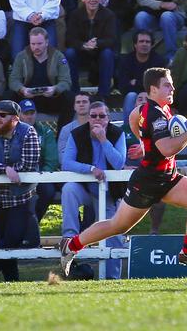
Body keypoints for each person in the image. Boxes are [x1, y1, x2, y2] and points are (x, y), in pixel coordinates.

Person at [60, 67, 187, 276]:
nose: (173, 88)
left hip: (168, 177)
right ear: (153, 89)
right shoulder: (156, 113)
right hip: (148, 181)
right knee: (117, 226)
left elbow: (133, 117)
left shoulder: (152, 108)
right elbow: (167, 148)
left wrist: (145, 142)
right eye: (167, 85)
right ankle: (71, 246)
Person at [61, 101, 126, 279]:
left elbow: (119, 163)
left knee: (113, 233)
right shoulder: (77, 134)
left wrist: (103, 140)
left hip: (108, 192)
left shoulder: (116, 133)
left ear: (108, 118)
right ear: (88, 118)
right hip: (85, 188)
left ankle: (113, 279)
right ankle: (69, 239)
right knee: (68, 189)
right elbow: (66, 162)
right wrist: (90, 169)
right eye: (93, 116)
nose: (97, 120)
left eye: (102, 116)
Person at [0, 100, 40, 282]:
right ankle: (12, 282)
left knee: (12, 240)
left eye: (2, 115)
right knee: (4, 241)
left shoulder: (28, 132)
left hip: (20, 197)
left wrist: (10, 170)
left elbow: (29, 163)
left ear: (14, 118)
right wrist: (6, 170)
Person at [8, 27, 72, 126]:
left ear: (46, 42)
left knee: (69, 98)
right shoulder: (21, 56)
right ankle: (12, 133)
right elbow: (13, 80)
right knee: (9, 96)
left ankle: (61, 136)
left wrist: (55, 89)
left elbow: (66, 81)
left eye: (39, 44)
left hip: (51, 98)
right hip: (28, 98)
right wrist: (23, 90)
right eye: (33, 44)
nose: (36, 47)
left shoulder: (58, 56)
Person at [64, 0, 116, 96]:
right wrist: (83, 45)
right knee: (69, 53)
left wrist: (96, 43)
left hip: (100, 53)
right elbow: (69, 39)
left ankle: (103, 95)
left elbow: (111, 39)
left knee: (108, 54)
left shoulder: (109, 15)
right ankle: (74, 93)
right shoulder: (75, 15)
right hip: (81, 53)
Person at [18, 99, 58, 226]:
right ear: (19, 115)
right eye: (26, 113)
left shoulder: (45, 132)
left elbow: (52, 160)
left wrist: (41, 176)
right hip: (18, 173)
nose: (29, 116)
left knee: (48, 191)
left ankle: (32, 225)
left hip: (41, 174)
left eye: (32, 113)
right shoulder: (11, 131)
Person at [117, 30, 166, 124]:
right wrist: (144, 84)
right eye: (141, 41)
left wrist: (136, 82)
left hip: (153, 94)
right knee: (131, 96)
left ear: (152, 45)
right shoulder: (126, 60)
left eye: (147, 42)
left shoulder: (159, 61)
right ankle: (129, 131)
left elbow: (159, 85)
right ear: (135, 44)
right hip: (133, 95)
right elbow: (123, 86)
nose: (144, 44)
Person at [57, 92, 91, 163]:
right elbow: (61, 156)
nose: (81, 104)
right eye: (78, 102)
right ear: (74, 106)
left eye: (84, 102)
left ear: (90, 105)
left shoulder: (97, 127)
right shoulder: (66, 130)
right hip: (72, 171)